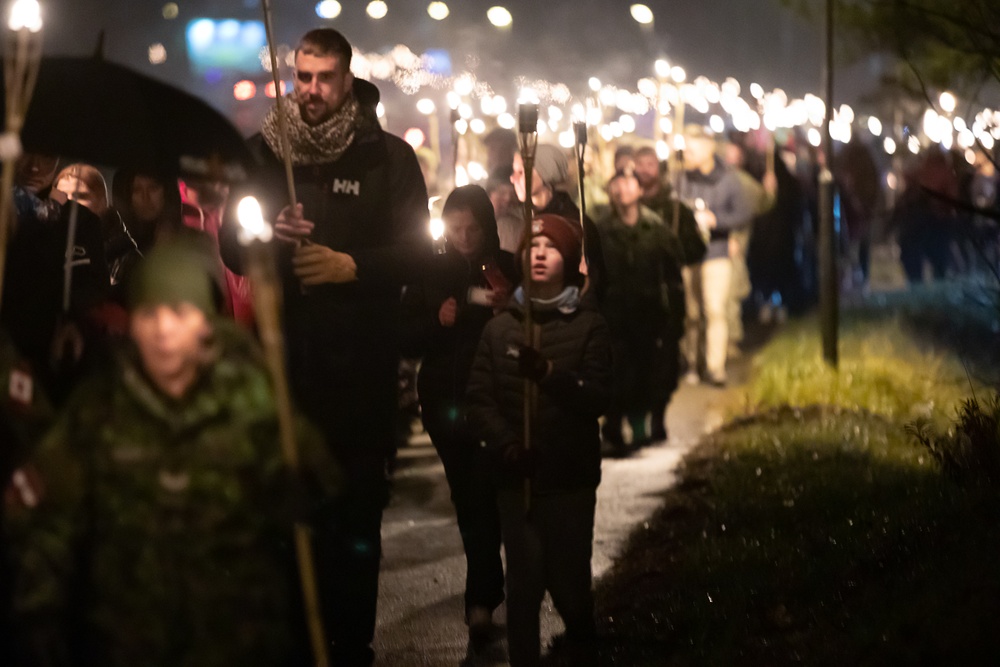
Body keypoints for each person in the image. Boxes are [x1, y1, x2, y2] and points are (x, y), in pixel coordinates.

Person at [7, 241, 340, 667]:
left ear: (205, 323)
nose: (163, 329)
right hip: (128, 642)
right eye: (149, 314)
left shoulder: (249, 396)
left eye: (179, 313)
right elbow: (49, 522)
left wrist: (295, 480)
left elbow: (322, 490)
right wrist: (39, 617)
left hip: (238, 639)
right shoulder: (99, 407)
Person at [218, 27, 430, 666]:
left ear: (347, 81)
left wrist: (350, 266)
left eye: (324, 79)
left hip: (361, 371)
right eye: (302, 78)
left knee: (356, 515)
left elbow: (417, 253)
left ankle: (350, 644)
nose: (311, 91)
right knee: (290, 515)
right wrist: (264, 234)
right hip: (286, 367)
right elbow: (233, 242)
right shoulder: (262, 155)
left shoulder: (386, 158)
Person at [466, 213, 612, 667]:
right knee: (524, 588)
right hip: (518, 481)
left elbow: (597, 396)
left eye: (551, 247)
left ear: (568, 259)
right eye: (532, 247)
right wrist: (507, 445)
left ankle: (584, 647)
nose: (541, 254)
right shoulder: (500, 328)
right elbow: (480, 400)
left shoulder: (588, 326)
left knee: (570, 585)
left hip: (568, 478)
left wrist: (550, 375)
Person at [400, 185, 515, 646]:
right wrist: (436, 320)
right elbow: (406, 338)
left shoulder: (504, 269)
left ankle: (482, 600)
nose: (465, 238)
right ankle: (482, 599)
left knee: (484, 496)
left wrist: (510, 307)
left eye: (474, 229)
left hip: (494, 399)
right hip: (445, 401)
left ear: (487, 227)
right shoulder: (430, 271)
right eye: (457, 228)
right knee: (468, 499)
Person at [597, 167, 685, 451]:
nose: (623, 189)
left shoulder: (656, 229)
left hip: (648, 315)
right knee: (615, 373)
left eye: (629, 182)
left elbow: (673, 276)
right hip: (613, 314)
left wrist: (674, 316)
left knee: (646, 372)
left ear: (639, 189)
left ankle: (640, 426)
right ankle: (612, 428)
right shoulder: (601, 230)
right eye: (618, 183)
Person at [679, 125, 752, 387]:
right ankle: (691, 364)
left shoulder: (728, 179)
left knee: (715, 310)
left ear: (708, 148)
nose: (687, 153)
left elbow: (743, 213)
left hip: (716, 252)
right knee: (691, 313)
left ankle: (715, 366)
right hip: (689, 254)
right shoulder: (683, 178)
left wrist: (716, 220)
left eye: (691, 148)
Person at [510, 144, 607, 303]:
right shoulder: (517, 219)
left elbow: (594, 282)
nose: (513, 178)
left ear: (545, 174)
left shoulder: (574, 223)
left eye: (521, 172)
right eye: (513, 171)